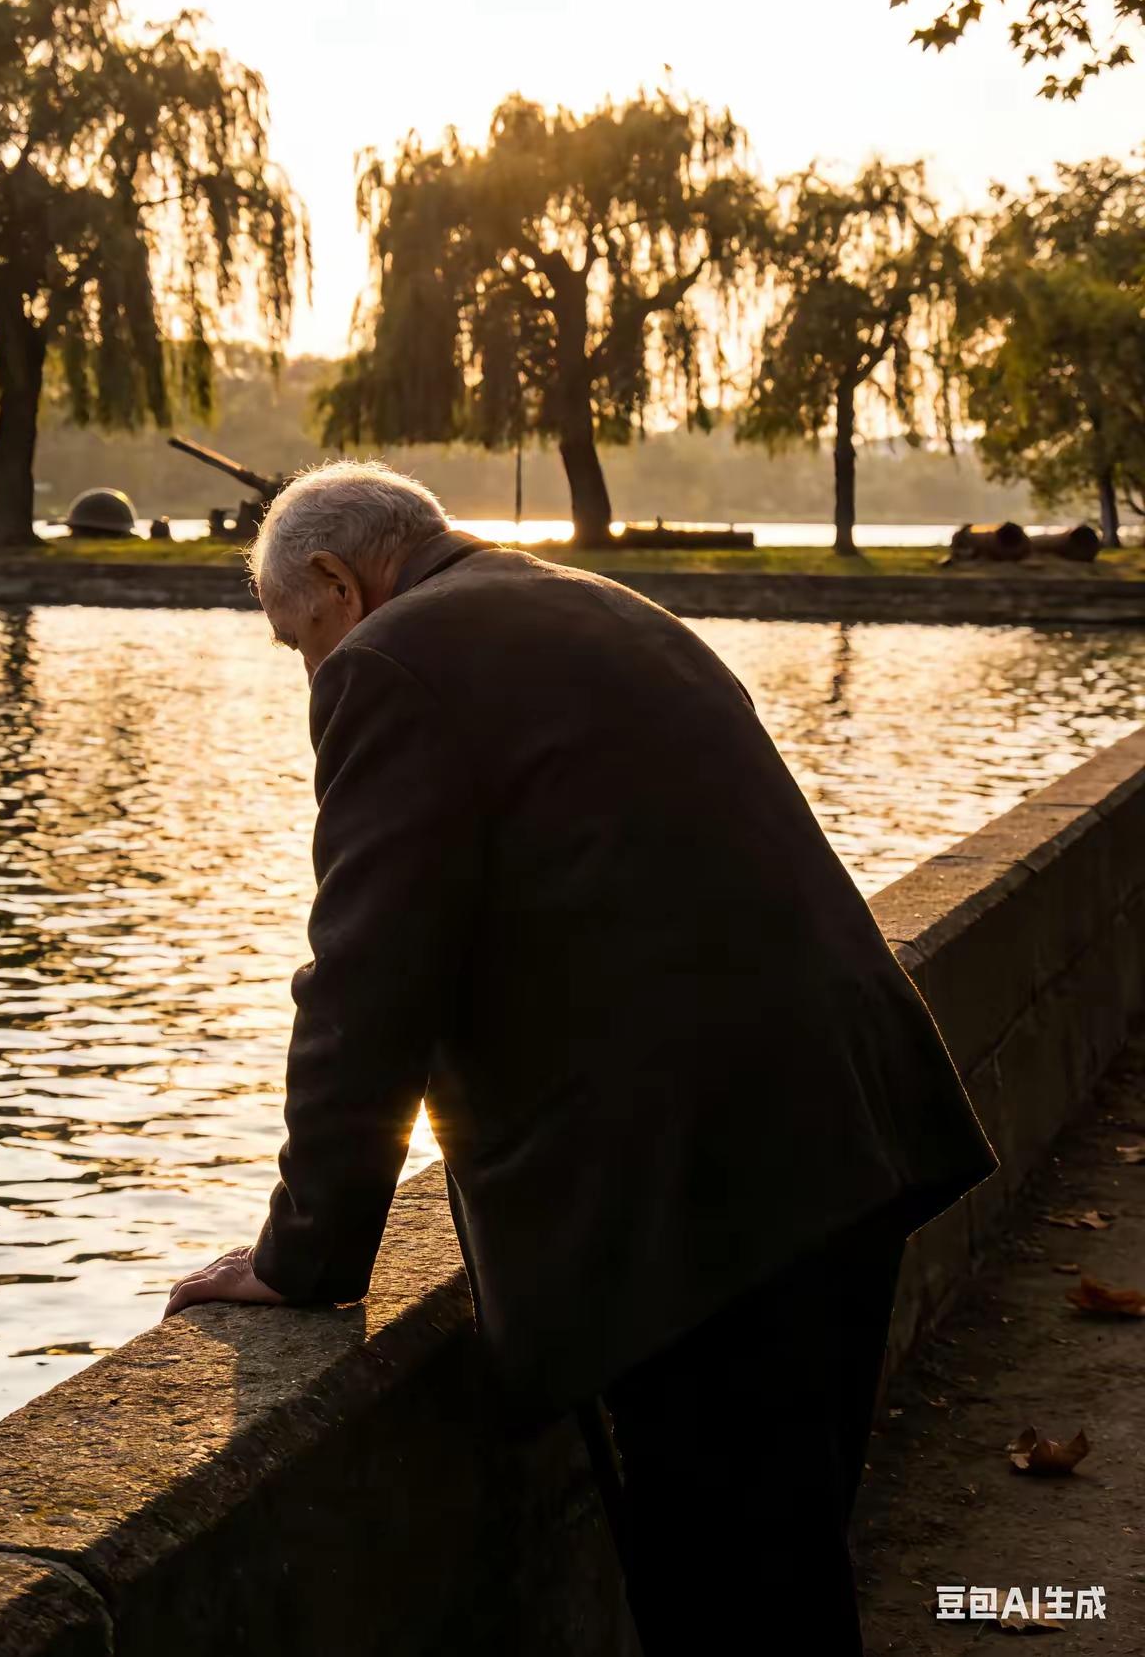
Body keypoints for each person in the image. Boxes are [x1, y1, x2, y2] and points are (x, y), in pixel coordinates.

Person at [165, 460, 997, 1653]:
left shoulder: (388, 664)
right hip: (850, 1120)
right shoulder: (610, 607)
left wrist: (306, 1251)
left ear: (337, 581)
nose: (308, 668)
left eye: (295, 636)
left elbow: (366, 984)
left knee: (717, 1591)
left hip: (692, 1187)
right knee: (790, 1563)